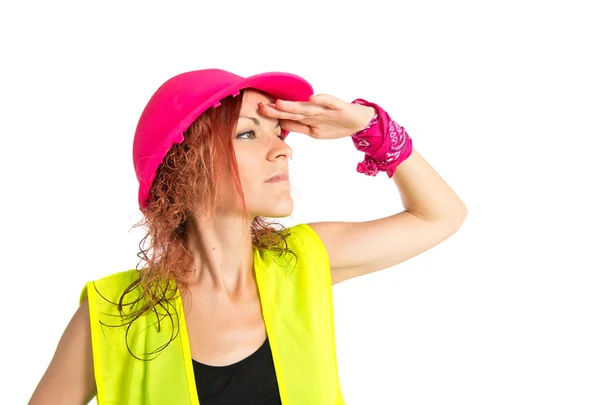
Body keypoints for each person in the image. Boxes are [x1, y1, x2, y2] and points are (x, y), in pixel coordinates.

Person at [29, 68, 467, 405]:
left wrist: (370, 127)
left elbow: (440, 216)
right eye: (247, 133)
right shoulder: (109, 315)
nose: (283, 148)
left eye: (277, 131)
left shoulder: (305, 259)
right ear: (182, 165)